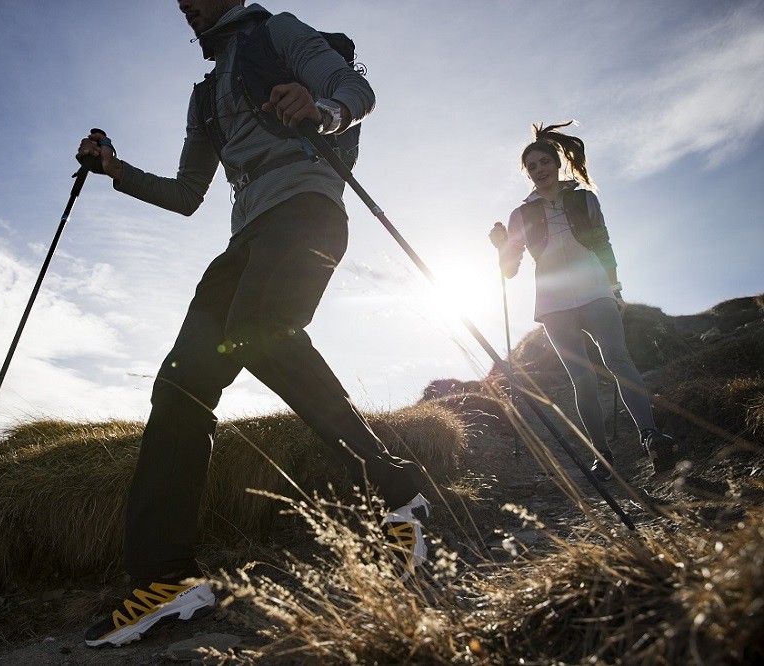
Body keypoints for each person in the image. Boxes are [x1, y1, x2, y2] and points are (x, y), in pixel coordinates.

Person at [77, 0, 430, 648]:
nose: (188, 6)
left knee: (261, 331)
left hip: (307, 208)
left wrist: (323, 110)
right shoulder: (205, 95)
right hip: (245, 240)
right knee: (180, 386)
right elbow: (187, 195)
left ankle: (397, 493)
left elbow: (357, 91)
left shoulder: (279, 32)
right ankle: (167, 580)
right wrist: (114, 171)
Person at [489, 121, 680, 484]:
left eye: (545, 162)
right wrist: (501, 247)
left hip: (596, 290)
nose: (539, 170)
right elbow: (510, 271)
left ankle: (651, 437)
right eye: (532, 166)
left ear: (558, 163)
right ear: (527, 173)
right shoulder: (521, 215)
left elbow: (604, 246)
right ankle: (601, 454)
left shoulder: (585, 198)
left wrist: (616, 289)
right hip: (552, 302)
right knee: (583, 378)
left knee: (619, 360)